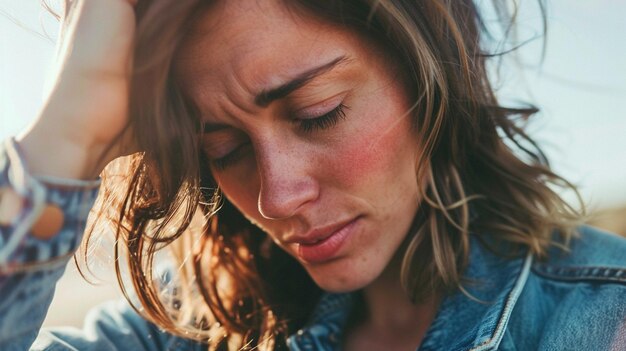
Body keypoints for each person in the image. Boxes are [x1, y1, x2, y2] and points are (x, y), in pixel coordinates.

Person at [1, 0, 625, 350]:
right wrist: (67, 136)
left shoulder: (600, 322)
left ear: (428, 74)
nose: (277, 197)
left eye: (317, 114)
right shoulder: (188, 328)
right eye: (225, 150)